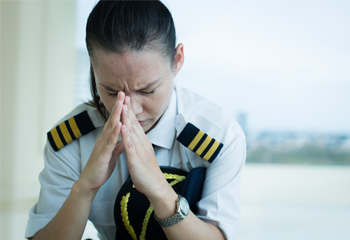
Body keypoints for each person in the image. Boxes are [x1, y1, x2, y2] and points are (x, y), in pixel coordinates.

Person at [25, 1, 246, 240]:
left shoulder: (220, 136)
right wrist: (84, 189)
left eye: (148, 90)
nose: (130, 110)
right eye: (111, 92)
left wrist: (160, 191)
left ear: (177, 60)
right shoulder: (71, 139)